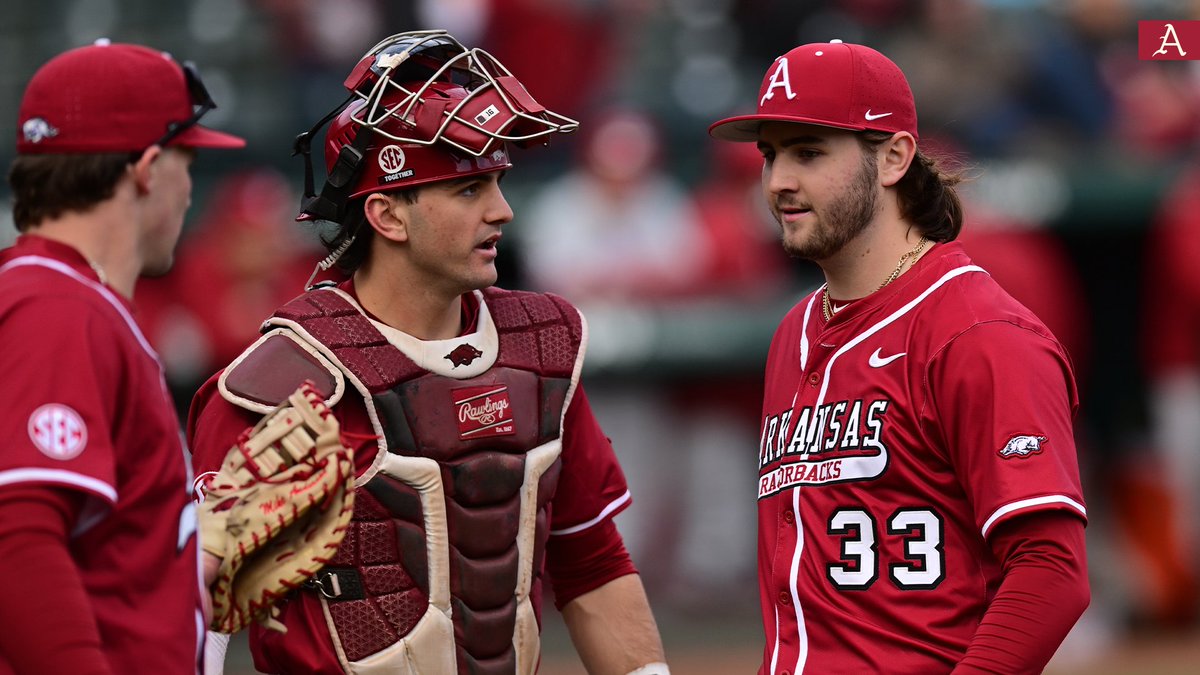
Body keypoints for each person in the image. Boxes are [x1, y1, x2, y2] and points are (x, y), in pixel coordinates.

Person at [187, 30, 668, 675]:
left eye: (497, 181)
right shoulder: (287, 381)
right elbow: (199, 609)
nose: (502, 211)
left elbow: (593, 564)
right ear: (387, 216)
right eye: (468, 190)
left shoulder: (541, 348)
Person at [708, 40, 1090, 674]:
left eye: (808, 152)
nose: (779, 182)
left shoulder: (978, 332)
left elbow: (1051, 572)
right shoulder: (793, 332)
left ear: (893, 157)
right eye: (770, 155)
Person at [0, 39, 244, 674]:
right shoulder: (57, 308)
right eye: (189, 162)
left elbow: (96, 560)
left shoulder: (52, 296)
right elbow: (17, 538)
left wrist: (189, 562)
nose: (191, 190)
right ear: (147, 167)